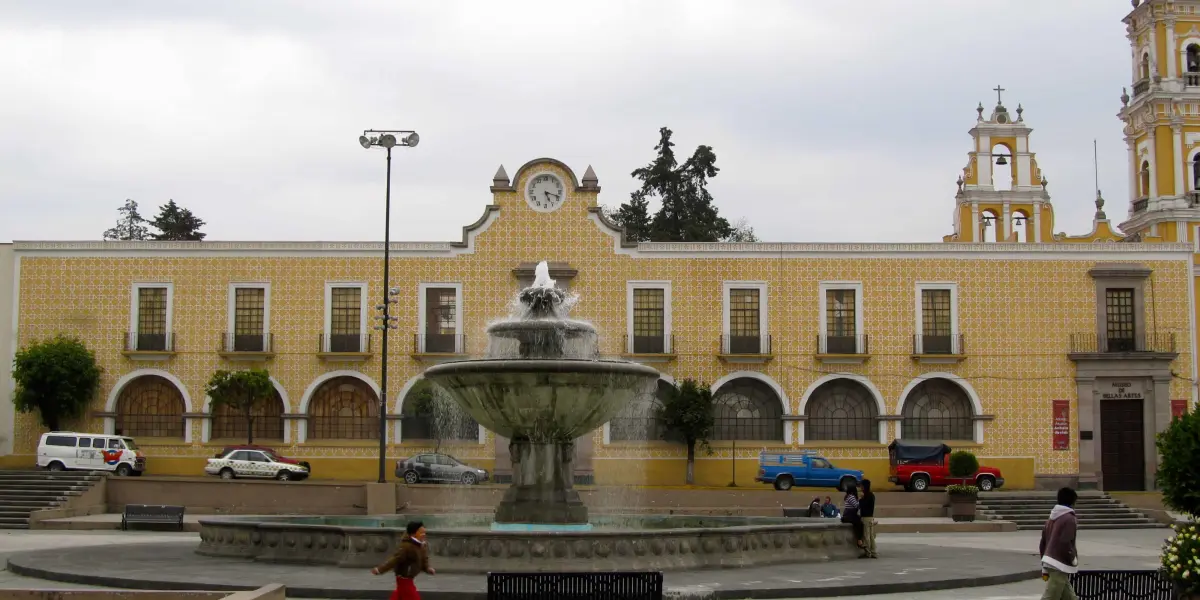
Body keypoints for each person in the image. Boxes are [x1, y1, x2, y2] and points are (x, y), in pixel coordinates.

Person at [371, 520, 435, 600]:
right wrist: (379, 569)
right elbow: (395, 559)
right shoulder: (406, 546)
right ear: (413, 533)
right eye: (421, 532)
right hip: (404, 578)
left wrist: (427, 568)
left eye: (424, 532)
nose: (424, 535)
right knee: (412, 596)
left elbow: (424, 559)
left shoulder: (421, 545)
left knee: (399, 595)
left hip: (408, 578)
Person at [1038, 487, 1079, 600]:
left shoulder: (1051, 518)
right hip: (1059, 562)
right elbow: (1066, 542)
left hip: (1049, 560)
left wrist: (1044, 558)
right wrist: (1072, 558)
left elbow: (1043, 542)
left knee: (1069, 597)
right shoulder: (1069, 518)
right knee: (1051, 596)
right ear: (1072, 501)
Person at [859, 479, 878, 559]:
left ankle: (868, 552)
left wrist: (861, 499)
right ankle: (873, 552)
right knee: (871, 536)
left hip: (866, 517)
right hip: (871, 517)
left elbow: (863, 506)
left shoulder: (867, 496)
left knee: (866, 535)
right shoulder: (872, 495)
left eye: (861, 485)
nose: (860, 487)